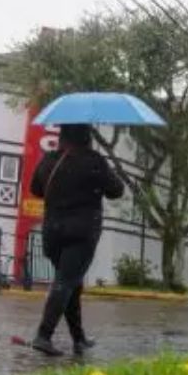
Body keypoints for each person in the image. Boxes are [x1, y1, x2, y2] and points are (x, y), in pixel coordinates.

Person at [29, 123, 124, 356]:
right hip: (81, 233)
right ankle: (43, 335)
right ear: (87, 138)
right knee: (65, 283)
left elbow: (36, 189)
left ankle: (79, 339)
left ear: (62, 137)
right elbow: (117, 190)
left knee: (71, 283)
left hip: (52, 232)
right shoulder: (94, 161)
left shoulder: (49, 160)